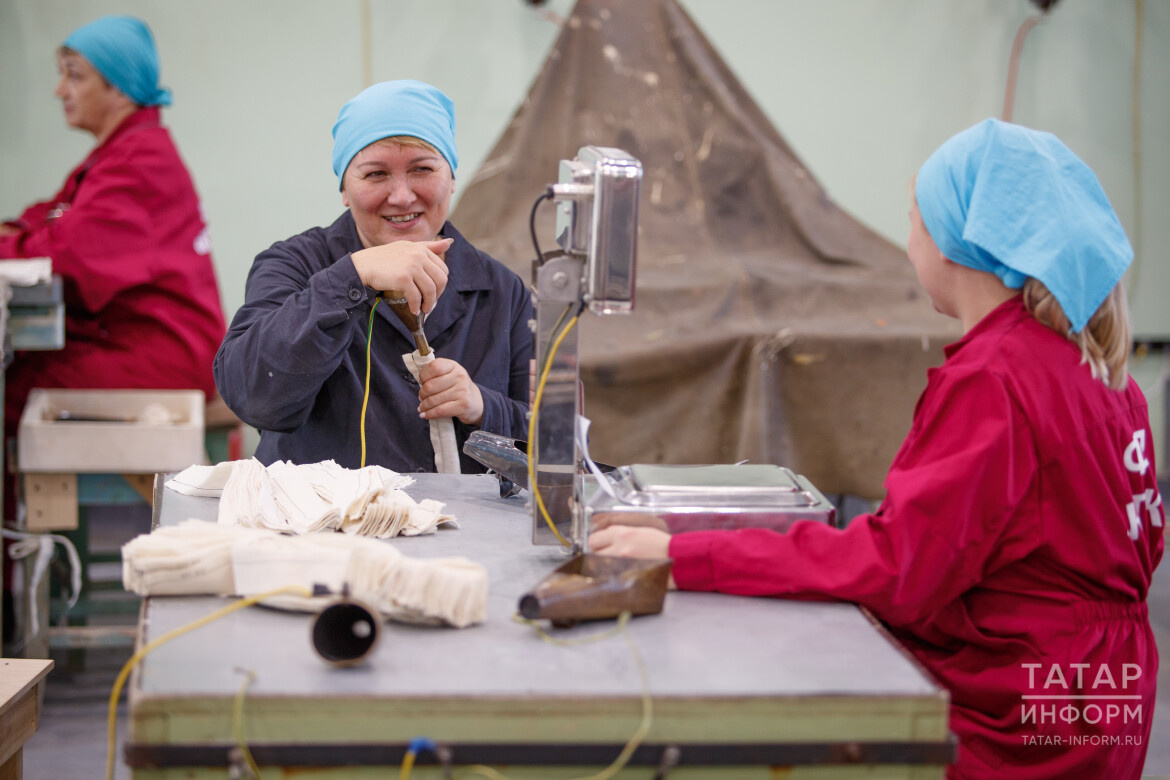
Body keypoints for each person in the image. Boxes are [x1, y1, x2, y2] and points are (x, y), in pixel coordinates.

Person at [590, 119, 1163, 779]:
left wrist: (679, 551)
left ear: (952, 240)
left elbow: (899, 569)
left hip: (1019, 704)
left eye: (914, 221)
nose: (909, 240)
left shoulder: (997, 378)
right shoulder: (1092, 367)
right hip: (1102, 690)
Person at [214, 80, 533, 473]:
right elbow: (253, 396)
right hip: (326, 529)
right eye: (376, 174)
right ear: (345, 188)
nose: (401, 196)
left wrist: (483, 405)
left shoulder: (502, 293)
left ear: (451, 178)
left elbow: (553, 443)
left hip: (462, 530)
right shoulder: (293, 265)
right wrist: (352, 276)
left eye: (422, 169)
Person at [0, 15, 226, 435]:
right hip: (147, 339)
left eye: (74, 76)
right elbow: (51, 215)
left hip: (160, 351)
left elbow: (66, 256)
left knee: (12, 390)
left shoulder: (137, 162)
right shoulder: (123, 153)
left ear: (118, 85)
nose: (59, 90)